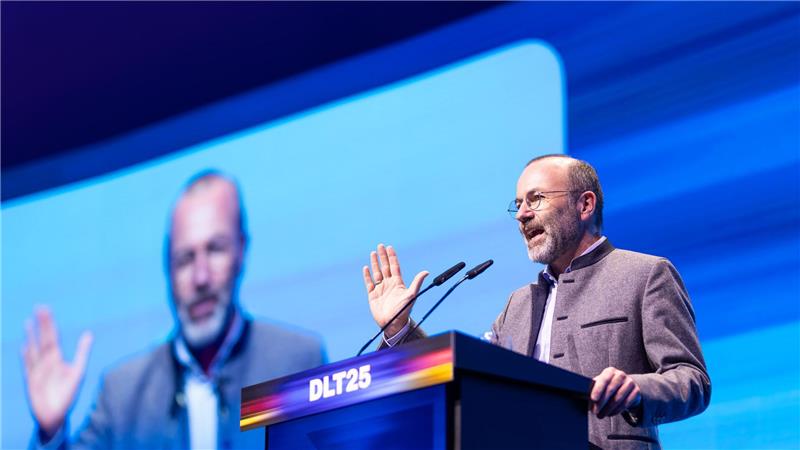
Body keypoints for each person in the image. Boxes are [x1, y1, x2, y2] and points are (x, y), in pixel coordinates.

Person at [362, 155, 711, 449]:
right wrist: (399, 328)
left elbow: (692, 380)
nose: (522, 214)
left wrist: (637, 389)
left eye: (536, 199)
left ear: (584, 204)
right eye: (518, 204)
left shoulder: (645, 274)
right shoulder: (518, 304)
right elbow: (463, 381)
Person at [22, 171, 326, 449]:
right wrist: (51, 433)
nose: (200, 277)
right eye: (184, 259)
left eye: (215, 249)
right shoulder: (121, 394)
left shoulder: (298, 362)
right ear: (167, 270)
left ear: (241, 251)